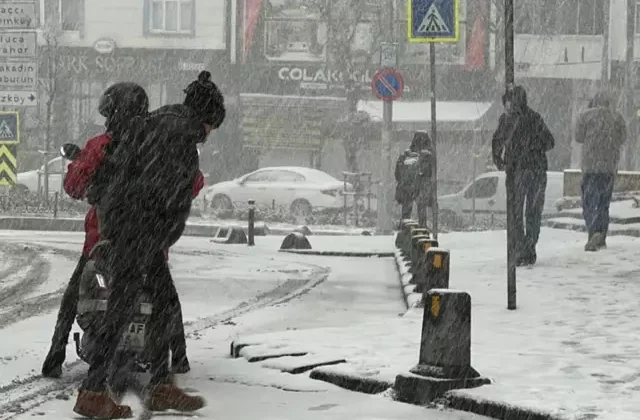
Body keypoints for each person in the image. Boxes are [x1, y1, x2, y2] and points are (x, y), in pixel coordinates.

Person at [73, 71, 225, 419]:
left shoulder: (155, 123)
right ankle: (96, 392)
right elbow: (172, 200)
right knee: (127, 309)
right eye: (213, 127)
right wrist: (160, 238)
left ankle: (158, 385)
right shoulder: (181, 139)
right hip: (138, 232)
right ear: (208, 120)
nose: (210, 135)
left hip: (127, 226)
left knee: (162, 304)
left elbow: (120, 171)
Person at [41, 83, 203, 380]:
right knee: (166, 298)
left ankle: (55, 355)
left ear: (112, 112)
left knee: (74, 294)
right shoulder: (160, 141)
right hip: (151, 240)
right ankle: (178, 358)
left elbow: (74, 185)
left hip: (103, 240)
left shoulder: (102, 144)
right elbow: (193, 182)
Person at [492, 86, 555, 266]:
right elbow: (550, 142)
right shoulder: (535, 119)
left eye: (509, 102)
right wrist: (534, 146)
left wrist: (500, 159)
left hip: (517, 171)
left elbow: (496, 142)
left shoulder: (507, 120)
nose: (507, 106)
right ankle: (528, 247)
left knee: (516, 213)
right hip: (535, 170)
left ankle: (521, 248)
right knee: (532, 212)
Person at [575, 91, 626, 251]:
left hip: (590, 167)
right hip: (609, 167)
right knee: (604, 202)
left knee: (589, 201)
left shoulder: (585, 116)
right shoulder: (617, 118)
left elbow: (578, 137)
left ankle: (593, 230)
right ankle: (601, 235)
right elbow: (623, 138)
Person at [395, 131, 434, 227]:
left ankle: (404, 234)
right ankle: (423, 233)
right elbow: (430, 174)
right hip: (421, 189)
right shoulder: (427, 156)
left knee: (406, 213)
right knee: (422, 213)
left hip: (406, 189)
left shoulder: (405, 155)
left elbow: (397, 174)